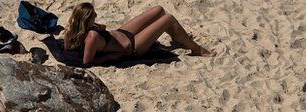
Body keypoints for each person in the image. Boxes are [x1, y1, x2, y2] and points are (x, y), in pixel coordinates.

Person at [64, 3, 215, 65]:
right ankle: (197, 49)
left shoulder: (73, 30)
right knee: (168, 18)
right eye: (93, 15)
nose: (96, 16)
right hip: (132, 46)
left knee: (159, 9)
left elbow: (68, 47)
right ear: (86, 19)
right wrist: (113, 56)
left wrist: (95, 25)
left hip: (121, 33)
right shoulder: (92, 36)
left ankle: (177, 36)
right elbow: (87, 62)